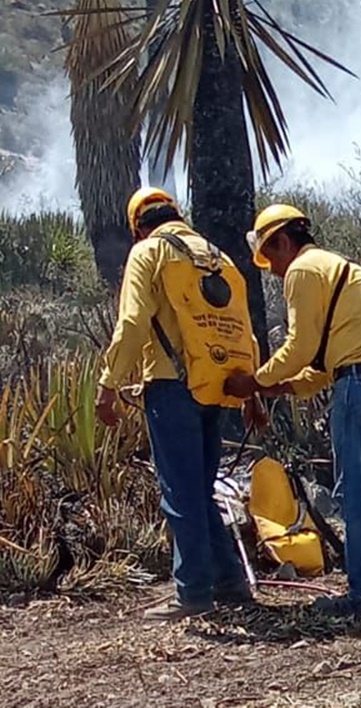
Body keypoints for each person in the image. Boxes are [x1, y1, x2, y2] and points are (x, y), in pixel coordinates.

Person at [224, 204, 361, 616]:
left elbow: (300, 349)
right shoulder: (343, 270)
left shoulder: (303, 271)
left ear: (283, 241)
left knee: (356, 495)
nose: (273, 270)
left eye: (271, 257)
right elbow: (325, 366)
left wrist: (254, 382)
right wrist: (282, 388)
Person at [96, 187, 263, 621]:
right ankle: (230, 583)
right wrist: (254, 395)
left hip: (172, 388)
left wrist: (109, 384)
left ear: (138, 228)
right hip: (219, 388)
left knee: (181, 494)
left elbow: (132, 322)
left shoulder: (149, 253)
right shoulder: (217, 256)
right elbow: (245, 330)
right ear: (177, 214)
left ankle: (192, 592)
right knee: (201, 490)